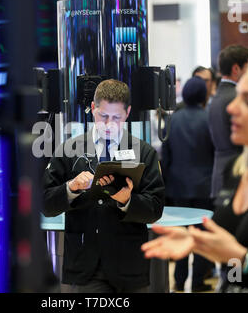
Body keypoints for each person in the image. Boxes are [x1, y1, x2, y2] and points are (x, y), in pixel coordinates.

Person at [142, 60, 248, 293]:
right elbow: (235, 262)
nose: (231, 108)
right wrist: (199, 244)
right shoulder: (237, 170)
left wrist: (244, 258)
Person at [43, 79, 165, 293]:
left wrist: (127, 200)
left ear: (127, 113)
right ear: (92, 109)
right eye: (103, 116)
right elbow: (45, 203)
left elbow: (155, 209)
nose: (109, 125)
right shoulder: (70, 149)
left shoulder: (144, 153)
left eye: (117, 118)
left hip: (129, 264)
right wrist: (70, 188)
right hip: (85, 263)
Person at [161, 76, 215, 292]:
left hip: (177, 186)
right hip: (205, 186)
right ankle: (199, 281)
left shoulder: (172, 119)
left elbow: (166, 156)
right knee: (201, 235)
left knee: (180, 233)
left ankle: (180, 280)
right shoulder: (209, 118)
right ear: (204, 95)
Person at [208, 45, 248, 199]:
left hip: (219, 173)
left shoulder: (215, 97)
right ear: (236, 69)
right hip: (237, 172)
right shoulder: (237, 97)